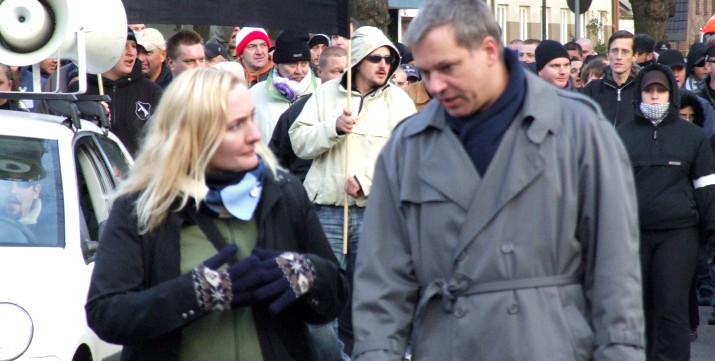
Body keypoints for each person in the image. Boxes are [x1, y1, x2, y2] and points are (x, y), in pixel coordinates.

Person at [351, 1, 645, 360]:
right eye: (425, 72)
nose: (435, 86)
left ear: (489, 50)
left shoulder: (579, 131)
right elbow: (381, 290)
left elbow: (616, 279)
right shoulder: (407, 148)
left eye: (447, 67)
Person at [85, 67, 349, 361]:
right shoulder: (142, 205)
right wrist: (199, 293)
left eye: (251, 117)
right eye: (235, 126)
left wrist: (308, 273)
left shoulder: (284, 192)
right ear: (193, 137)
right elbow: (105, 314)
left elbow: (334, 298)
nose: (254, 134)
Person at [289, 26, 417, 354]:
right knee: (322, 296)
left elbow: (410, 159)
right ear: (358, 60)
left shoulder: (400, 102)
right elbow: (299, 143)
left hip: (377, 214)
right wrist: (332, 128)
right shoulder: (326, 94)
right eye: (375, 58)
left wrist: (366, 182)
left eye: (389, 59)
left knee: (375, 297)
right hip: (327, 212)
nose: (383, 65)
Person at [617, 64, 715, 361]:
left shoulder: (692, 137)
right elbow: (610, 190)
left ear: (671, 94)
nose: (655, 96)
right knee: (639, 309)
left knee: (671, 307)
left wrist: (711, 234)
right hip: (634, 235)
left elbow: (706, 189)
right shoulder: (622, 135)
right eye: (649, 90)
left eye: (661, 90)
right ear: (640, 94)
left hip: (679, 234)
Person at [70, 28, 163, 156]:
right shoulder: (81, 90)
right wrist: (90, 117)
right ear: (106, 48)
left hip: (139, 173)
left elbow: (163, 141)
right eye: (123, 46)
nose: (131, 52)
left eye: (134, 46)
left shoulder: (151, 91)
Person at [269, 46, 348, 182]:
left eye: (346, 71)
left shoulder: (356, 107)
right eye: (336, 71)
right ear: (320, 72)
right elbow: (277, 159)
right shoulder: (297, 110)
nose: (342, 77)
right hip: (305, 191)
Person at [250, 31, 320, 141]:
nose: (299, 70)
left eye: (304, 63)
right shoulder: (255, 94)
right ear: (277, 64)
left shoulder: (322, 90)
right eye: (292, 64)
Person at [582, 30, 638, 126]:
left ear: (634, 56)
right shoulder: (592, 89)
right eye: (614, 51)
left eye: (625, 52)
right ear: (607, 55)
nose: (619, 57)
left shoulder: (642, 89)